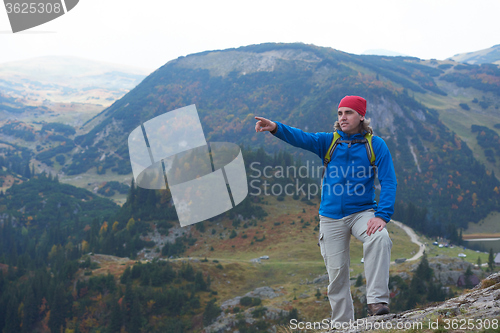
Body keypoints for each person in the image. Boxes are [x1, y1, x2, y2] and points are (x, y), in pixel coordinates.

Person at [254, 95, 397, 323]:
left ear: (361, 116)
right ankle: (342, 324)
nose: (343, 118)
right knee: (337, 275)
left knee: (380, 238)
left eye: (348, 113)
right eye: (340, 113)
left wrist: (382, 215)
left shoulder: (375, 145)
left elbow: (389, 181)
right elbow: (302, 138)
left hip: (362, 213)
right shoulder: (329, 141)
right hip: (330, 218)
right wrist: (275, 128)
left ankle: (377, 301)